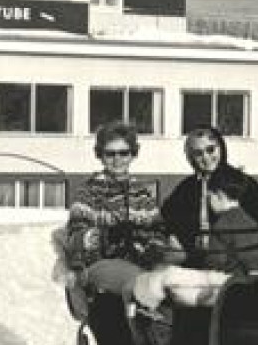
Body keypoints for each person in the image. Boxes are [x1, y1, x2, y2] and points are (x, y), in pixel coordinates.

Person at [62, 120, 176, 310]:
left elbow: (158, 232)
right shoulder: (88, 192)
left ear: (133, 154)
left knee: (172, 282)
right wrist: (107, 236)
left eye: (124, 153)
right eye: (110, 154)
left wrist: (151, 247)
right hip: (101, 265)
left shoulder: (142, 194)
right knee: (142, 284)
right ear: (100, 155)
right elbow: (76, 238)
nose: (118, 160)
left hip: (139, 264)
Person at [161, 125, 258, 273]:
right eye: (198, 153)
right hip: (193, 260)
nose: (206, 157)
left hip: (232, 261)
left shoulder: (244, 184)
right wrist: (173, 237)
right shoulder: (186, 188)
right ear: (190, 157)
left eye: (210, 149)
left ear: (221, 148)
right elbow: (168, 216)